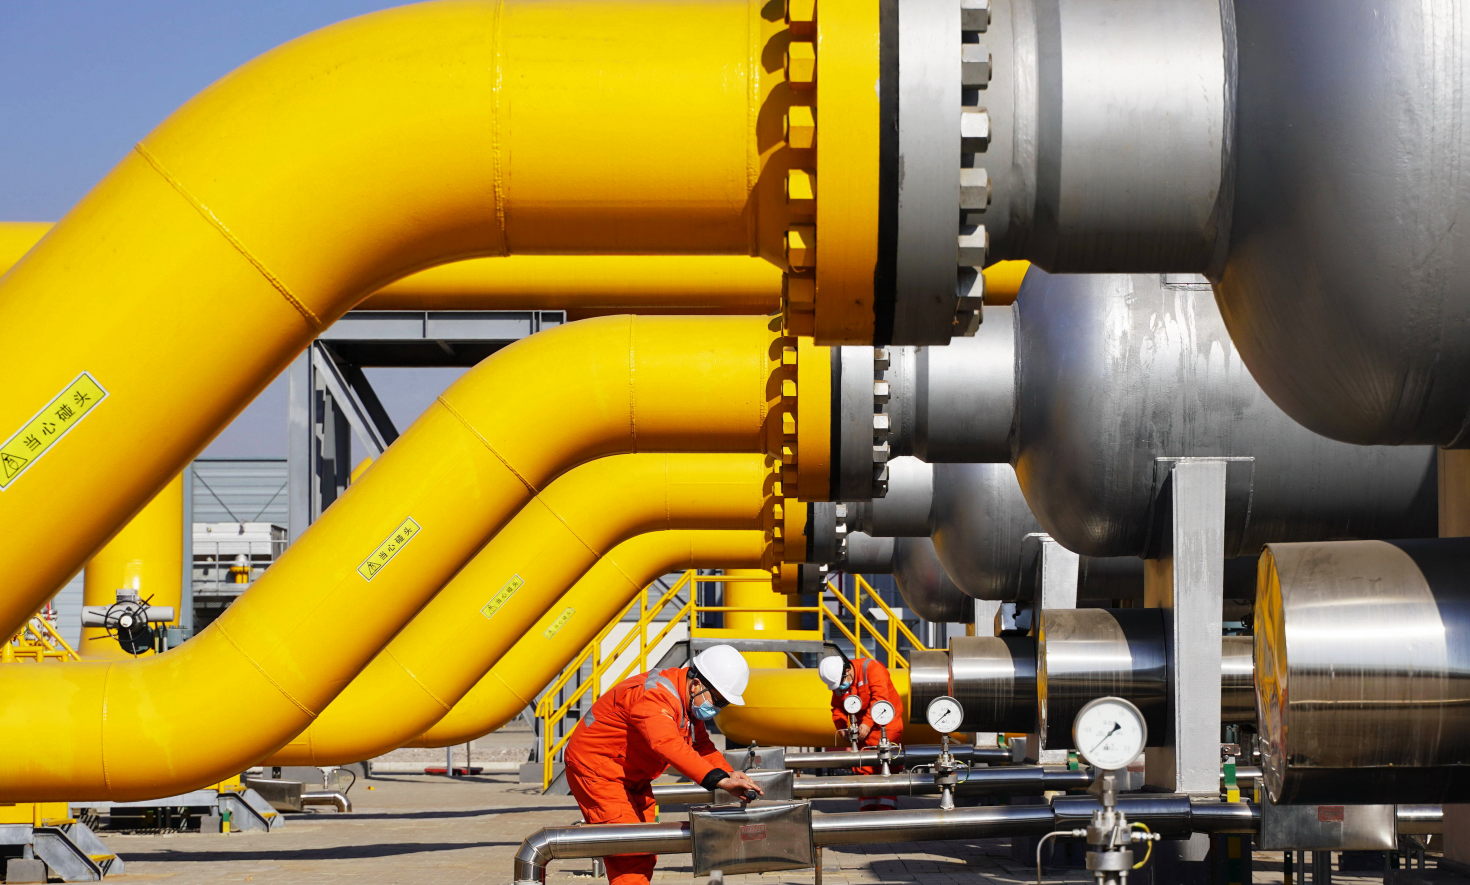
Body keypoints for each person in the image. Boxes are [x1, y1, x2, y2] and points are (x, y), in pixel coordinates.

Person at [564, 644, 764, 885]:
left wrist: (729, 773)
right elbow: (666, 743)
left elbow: (701, 745)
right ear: (696, 684)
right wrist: (718, 780)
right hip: (597, 771)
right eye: (718, 700)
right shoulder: (655, 695)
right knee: (629, 853)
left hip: (630, 775)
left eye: (723, 704)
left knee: (648, 845)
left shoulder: (686, 702)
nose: (717, 709)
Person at [818, 654, 905, 811]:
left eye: (842, 682)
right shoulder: (839, 682)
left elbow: (880, 698)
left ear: (847, 670)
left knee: (886, 766)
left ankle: (886, 810)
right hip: (862, 730)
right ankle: (867, 810)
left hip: (886, 725)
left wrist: (867, 723)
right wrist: (842, 728)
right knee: (864, 768)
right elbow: (837, 708)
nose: (841, 687)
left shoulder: (872, 668)